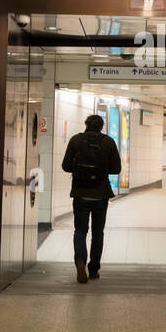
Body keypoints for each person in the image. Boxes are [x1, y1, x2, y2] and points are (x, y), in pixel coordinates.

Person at [60, 113, 122, 283]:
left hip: (80, 194)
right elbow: (116, 169)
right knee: (97, 233)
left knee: (80, 231)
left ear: (86, 124)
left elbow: (65, 166)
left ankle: (80, 262)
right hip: (101, 194)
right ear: (101, 126)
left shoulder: (76, 140)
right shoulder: (108, 142)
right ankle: (93, 270)